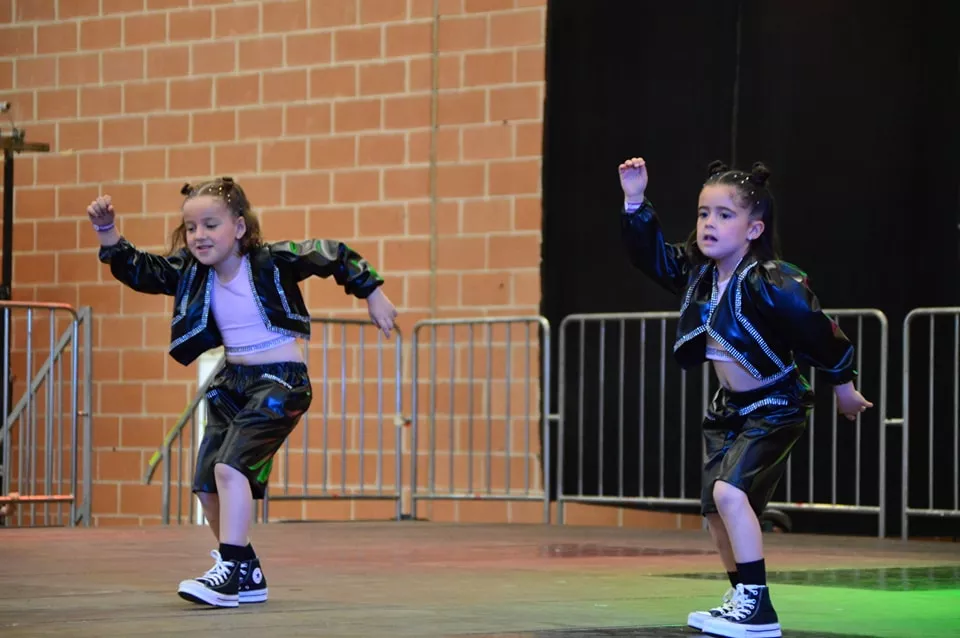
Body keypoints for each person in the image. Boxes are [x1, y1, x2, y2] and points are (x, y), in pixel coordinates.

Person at [88, 177, 398, 608]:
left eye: (210, 225)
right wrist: (108, 232)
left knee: (231, 467)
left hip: (281, 381)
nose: (199, 236)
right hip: (231, 383)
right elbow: (144, 272)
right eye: (191, 228)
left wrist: (372, 292)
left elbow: (332, 253)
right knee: (207, 483)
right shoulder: (192, 273)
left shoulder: (273, 261)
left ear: (238, 227)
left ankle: (230, 571)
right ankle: (247, 570)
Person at [618, 158, 872, 638]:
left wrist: (844, 388)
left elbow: (821, 333)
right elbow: (652, 258)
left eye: (724, 215)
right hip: (728, 410)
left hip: (776, 405)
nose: (709, 224)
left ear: (754, 229)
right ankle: (741, 597)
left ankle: (758, 607)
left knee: (730, 494)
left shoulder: (772, 281)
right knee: (716, 509)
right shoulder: (699, 274)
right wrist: (635, 202)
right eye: (703, 214)